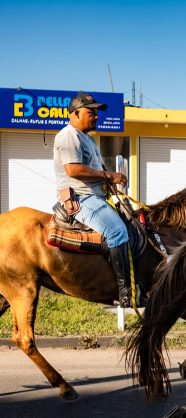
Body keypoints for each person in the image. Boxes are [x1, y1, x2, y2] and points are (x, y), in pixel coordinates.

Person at [53, 93, 132, 308]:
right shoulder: (69, 136)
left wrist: (110, 180)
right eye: (91, 112)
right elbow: (73, 169)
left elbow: (94, 169)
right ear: (75, 113)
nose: (96, 116)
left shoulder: (86, 137)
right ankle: (125, 292)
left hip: (95, 196)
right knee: (117, 231)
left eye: (97, 112)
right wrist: (109, 176)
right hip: (81, 198)